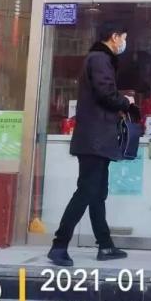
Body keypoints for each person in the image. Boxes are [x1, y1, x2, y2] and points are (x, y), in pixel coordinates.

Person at [48, 21, 140, 267]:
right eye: (124, 37)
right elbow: (105, 93)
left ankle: (105, 245)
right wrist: (127, 102)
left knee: (97, 193)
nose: (124, 43)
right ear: (114, 36)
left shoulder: (97, 58)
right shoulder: (100, 59)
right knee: (86, 191)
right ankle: (59, 245)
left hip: (96, 138)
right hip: (95, 139)